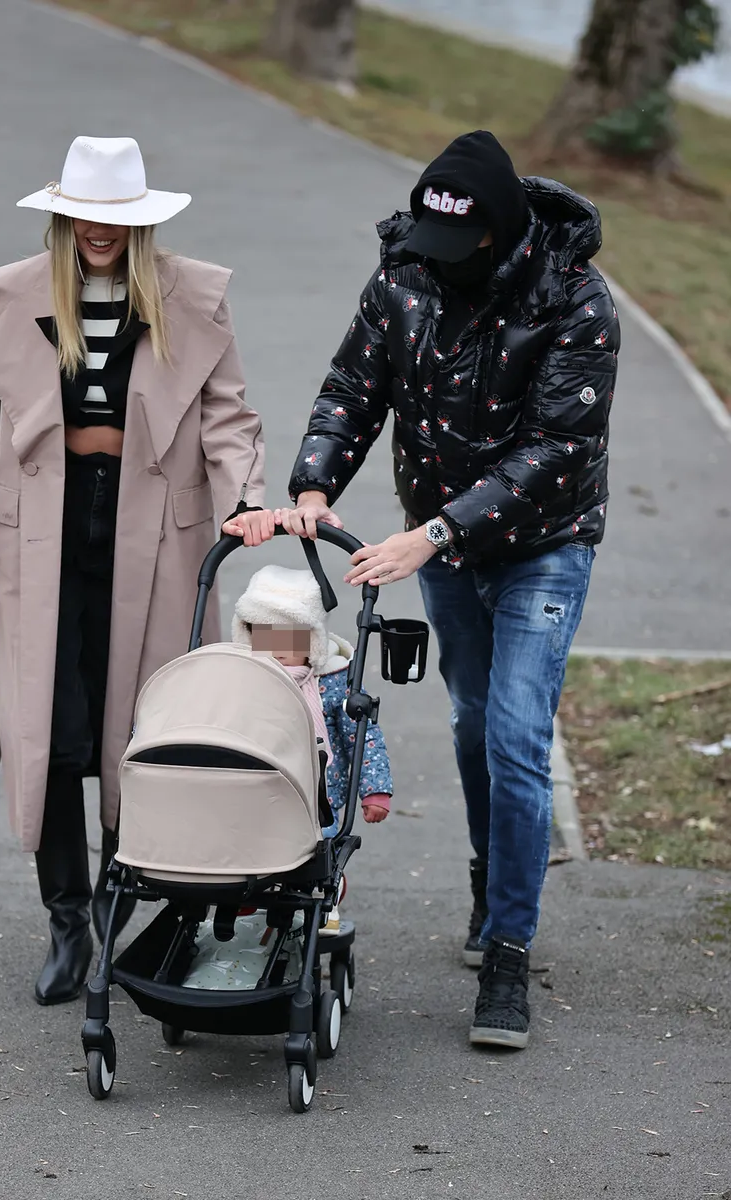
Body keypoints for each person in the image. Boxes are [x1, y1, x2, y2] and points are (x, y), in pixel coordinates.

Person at [275, 130, 620, 1050]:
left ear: (496, 236)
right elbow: (355, 386)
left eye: (448, 247)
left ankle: (508, 947)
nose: (429, 259)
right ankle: (492, 872)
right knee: (472, 723)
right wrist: (314, 485)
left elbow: (557, 451)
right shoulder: (404, 277)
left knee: (515, 732)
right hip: (445, 549)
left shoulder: (575, 301)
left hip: (543, 543)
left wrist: (428, 535)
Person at [0, 135, 273, 1006]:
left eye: (116, 219)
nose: (98, 231)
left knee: (142, 727)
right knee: (49, 729)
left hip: (156, 531)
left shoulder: (190, 296)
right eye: (84, 215)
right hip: (37, 534)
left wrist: (245, 497)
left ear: (140, 224)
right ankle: (68, 921)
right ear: (64, 216)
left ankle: (117, 905)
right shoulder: (14, 295)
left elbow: (229, 414)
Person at [232, 566, 393, 931]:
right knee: (247, 836)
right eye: (265, 640)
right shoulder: (242, 678)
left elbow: (362, 735)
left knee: (317, 850)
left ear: (313, 643)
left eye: (289, 642)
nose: (277, 652)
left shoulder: (332, 684)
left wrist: (375, 789)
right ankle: (246, 892)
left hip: (317, 791)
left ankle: (324, 892)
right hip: (256, 785)